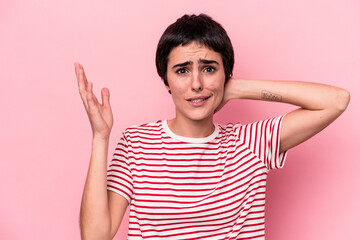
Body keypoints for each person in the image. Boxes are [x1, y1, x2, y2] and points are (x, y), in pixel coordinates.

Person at [75, 14, 350, 240]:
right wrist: (100, 137)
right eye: (182, 70)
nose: (196, 83)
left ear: (225, 74)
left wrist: (236, 88)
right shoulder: (136, 143)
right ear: (166, 80)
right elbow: (95, 236)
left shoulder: (252, 143)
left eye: (209, 69)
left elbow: (336, 101)